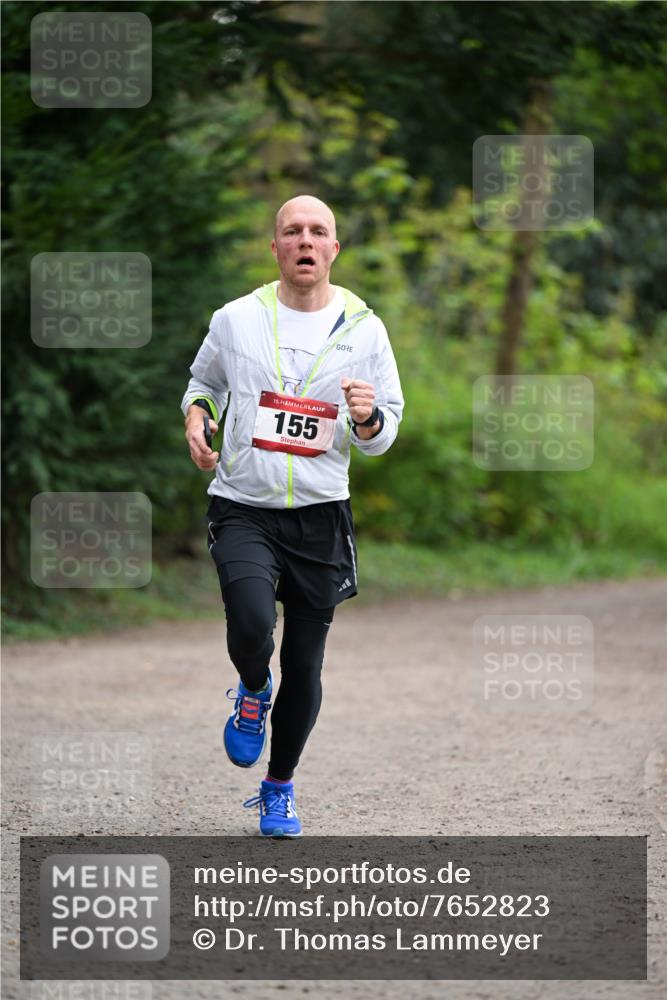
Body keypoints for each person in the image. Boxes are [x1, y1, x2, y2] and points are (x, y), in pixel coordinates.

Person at [181, 194, 404, 837]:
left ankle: (279, 788)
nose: (305, 240)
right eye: (292, 231)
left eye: (318, 232)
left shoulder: (366, 330)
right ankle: (253, 688)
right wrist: (198, 420)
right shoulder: (236, 320)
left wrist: (366, 417)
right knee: (252, 625)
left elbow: (385, 431)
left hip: (320, 514)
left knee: (306, 664)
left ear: (334, 249)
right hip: (243, 505)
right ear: (275, 247)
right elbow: (202, 383)